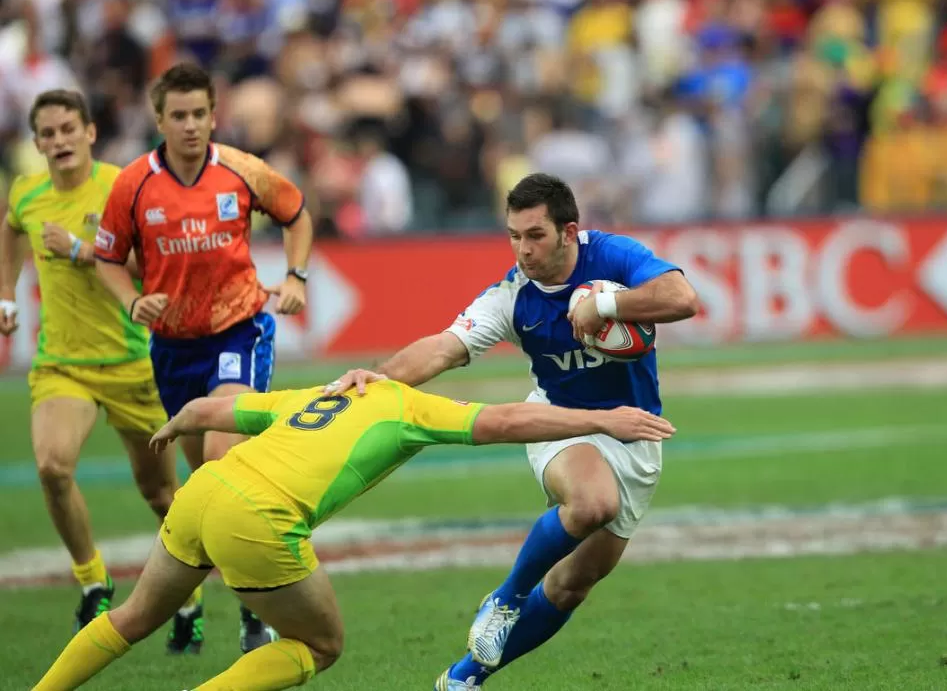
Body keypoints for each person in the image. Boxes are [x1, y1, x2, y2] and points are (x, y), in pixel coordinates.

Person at [30, 378, 676, 691]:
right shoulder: (408, 404)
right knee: (321, 643)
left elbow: (211, 409)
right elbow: (507, 418)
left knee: (134, 616)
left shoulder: (326, 392)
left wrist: (177, 426)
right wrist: (600, 418)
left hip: (205, 490)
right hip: (260, 514)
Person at [327, 172, 699, 690]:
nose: (522, 250)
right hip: (560, 425)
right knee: (592, 504)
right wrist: (381, 376)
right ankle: (505, 597)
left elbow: (682, 297)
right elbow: (442, 348)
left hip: (635, 434)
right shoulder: (511, 297)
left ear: (569, 232)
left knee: (574, 584)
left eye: (535, 236)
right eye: (514, 236)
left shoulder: (614, 256)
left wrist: (604, 306)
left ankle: (463, 678)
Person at [93, 62, 315, 654]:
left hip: (238, 329)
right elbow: (107, 257)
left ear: (214, 116)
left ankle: (254, 612)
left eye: (200, 115)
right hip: (173, 347)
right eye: (178, 116)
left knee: (222, 457)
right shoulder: (134, 184)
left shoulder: (242, 171)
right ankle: (211, 604)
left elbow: (297, 215)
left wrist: (295, 275)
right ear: (159, 119)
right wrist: (132, 300)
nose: (190, 126)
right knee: (202, 487)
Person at [0, 89, 177, 634]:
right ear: (37, 144)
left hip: (130, 363)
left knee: (161, 494)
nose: (59, 142)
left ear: (90, 132)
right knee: (52, 467)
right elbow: (11, 232)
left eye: (67, 130)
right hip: (62, 364)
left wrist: (80, 249)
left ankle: (189, 596)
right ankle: (93, 581)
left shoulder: (123, 188)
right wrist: (6, 294)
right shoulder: (27, 194)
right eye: (48, 134)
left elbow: (154, 268)